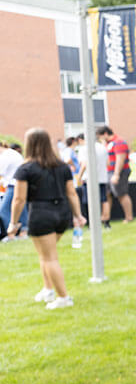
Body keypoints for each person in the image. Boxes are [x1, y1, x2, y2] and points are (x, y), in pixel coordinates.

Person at [6, 128, 85, 308]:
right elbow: (72, 194)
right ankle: (48, 289)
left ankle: (63, 298)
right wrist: (78, 215)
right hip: (62, 213)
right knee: (45, 254)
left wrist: (13, 223)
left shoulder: (25, 169)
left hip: (41, 213)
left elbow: (18, 199)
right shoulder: (62, 166)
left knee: (49, 257)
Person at [96, 126, 134, 222]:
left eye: (100, 137)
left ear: (105, 134)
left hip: (119, 172)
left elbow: (120, 159)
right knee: (107, 194)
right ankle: (106, 216)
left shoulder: (119, 142)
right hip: (108, 172)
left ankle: (129, 217)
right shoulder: (108, 144)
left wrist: (116, 174)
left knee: (121, 194)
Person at [0, 141, 26, 238]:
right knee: (22, 209)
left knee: (3, 210)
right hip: (17, 184)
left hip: (13, 185)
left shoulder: (6, 155)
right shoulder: (11, 153)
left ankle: (11, 233)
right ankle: (22, 231)